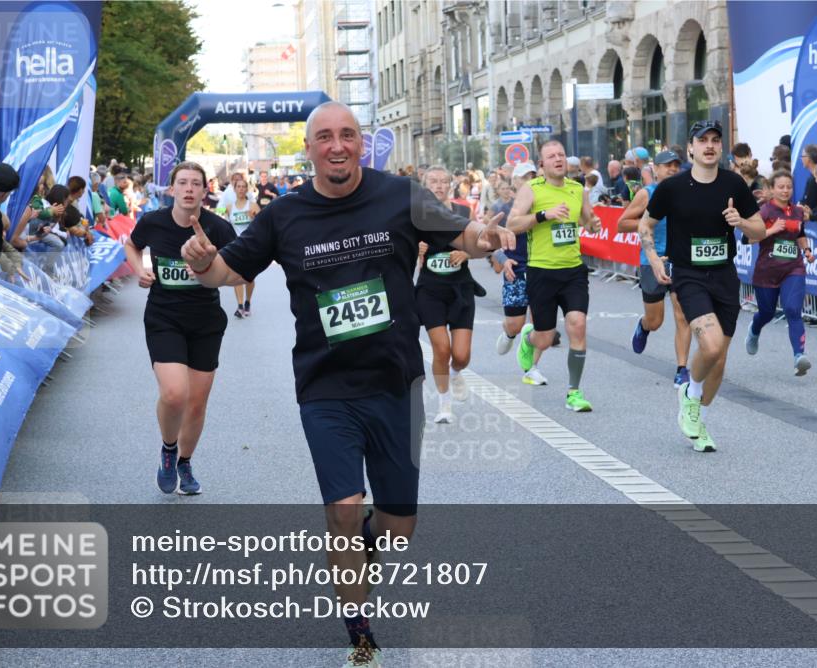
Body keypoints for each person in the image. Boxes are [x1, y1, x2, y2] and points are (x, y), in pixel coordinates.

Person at [179, 101, 513, 667]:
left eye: (348, 136)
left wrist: (486, 236)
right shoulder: (284, 215)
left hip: (396, 382)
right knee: (342, 506)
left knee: (398, 528)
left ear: (361, 144)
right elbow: (226, 272)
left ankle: (359, 543)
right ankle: (359, 633)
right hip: (326, 387)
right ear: (308, 149)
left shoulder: (398, 195)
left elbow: (466, 237)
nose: (337, 145)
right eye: (325, 137)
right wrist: (200, 262)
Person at [638, 120, 767, 452]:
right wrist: (653, 259)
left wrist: (742, 222)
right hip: (689, 275)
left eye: (715, 140)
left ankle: (698, 417)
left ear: (721, 148)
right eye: (702, 140)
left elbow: (760, 231)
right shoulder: (673, 187)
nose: (709, 145)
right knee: (709, 347)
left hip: (724, 276)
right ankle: (690, 394)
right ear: (691, 148)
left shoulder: (734, 184)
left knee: (719, 360)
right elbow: (645, 225)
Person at [124, 161, 237, 497]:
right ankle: (169, 450)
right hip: (164, 317)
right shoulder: (153, 222)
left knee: (197, 404)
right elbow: (132, 245)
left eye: (196, 184)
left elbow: (240, 268)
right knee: (175, 394)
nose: (189, 189)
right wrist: (140, 270)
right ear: (171, 189)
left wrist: (209, 270)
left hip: (205, 321)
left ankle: (185, 462)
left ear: (205, 191)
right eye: (182, 183)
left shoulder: (218, 228)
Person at [507, 139, 601, 412]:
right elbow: (512, 224)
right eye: (552, 156)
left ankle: (574, 391)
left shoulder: (577, 189)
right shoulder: (531, 189)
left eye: (561, 154)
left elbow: (587, 221)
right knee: (545, 337)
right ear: (542, 164)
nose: (558, 159)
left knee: (577, 325)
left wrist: (593, 224)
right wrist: (543, 215)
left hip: (573, 270)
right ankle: (528, 339)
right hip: (541, 271)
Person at [617, 150, 692, 385]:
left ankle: (682, 369)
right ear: (655, 169)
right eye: (666, 165)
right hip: (652, 260)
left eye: (675, 165)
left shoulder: (687, 192)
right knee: (656, 320)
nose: (671, 169)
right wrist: (648, 222)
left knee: (683, 315)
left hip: (681, 260)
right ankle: (644, 326)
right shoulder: (646, 194)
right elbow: (621, 224)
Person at [416, 166, 478, 423]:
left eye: (443, 181)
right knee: (441, 349)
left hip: (461, 288)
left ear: (450, 185)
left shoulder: (463, 212)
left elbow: (478, 242)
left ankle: (456, 372)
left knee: (461, 356)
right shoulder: (416, 216)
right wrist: (415, 248)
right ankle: (444, 405)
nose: (439, 186)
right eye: (433, 181)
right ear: (424, 185)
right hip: (430, 290)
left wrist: (467, 252)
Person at [743, 170, 816, 374]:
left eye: (789, 187)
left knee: (793, 309)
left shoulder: (798, 211)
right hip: (767, 270)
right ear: (772, 189)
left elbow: (800, 234)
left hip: (793, 267)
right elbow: (747, 239)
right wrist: (771, 230)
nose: (785, 191)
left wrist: (807, 251)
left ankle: (799, 356)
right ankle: (754, 330)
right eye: (781, 187)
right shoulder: (764, 212)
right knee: (766, 312)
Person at [493, 162, 550, 385]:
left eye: (533, 177)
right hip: (515, 271)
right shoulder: (505, 210)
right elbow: (490, 245)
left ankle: (531, 368)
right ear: (515, 182)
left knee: (540, 323)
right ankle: (509, 333)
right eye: (525, 177)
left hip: (542, 270)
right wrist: (503, 259)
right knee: (515, 324)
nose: (530, 181)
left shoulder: (545, 206)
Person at [225, 176, 260, 318]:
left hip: (250, 245)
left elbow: (262, 224)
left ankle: (247, 302)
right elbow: (223, 222)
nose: (241, 189)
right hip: (236, 245)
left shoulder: (252, 206)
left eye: (243, 187)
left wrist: (253, 218)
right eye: (238, 187)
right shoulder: (229, 207)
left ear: (246, 189)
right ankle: (239, 306)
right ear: (234, 189)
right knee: (236, 276)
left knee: (249, 277)